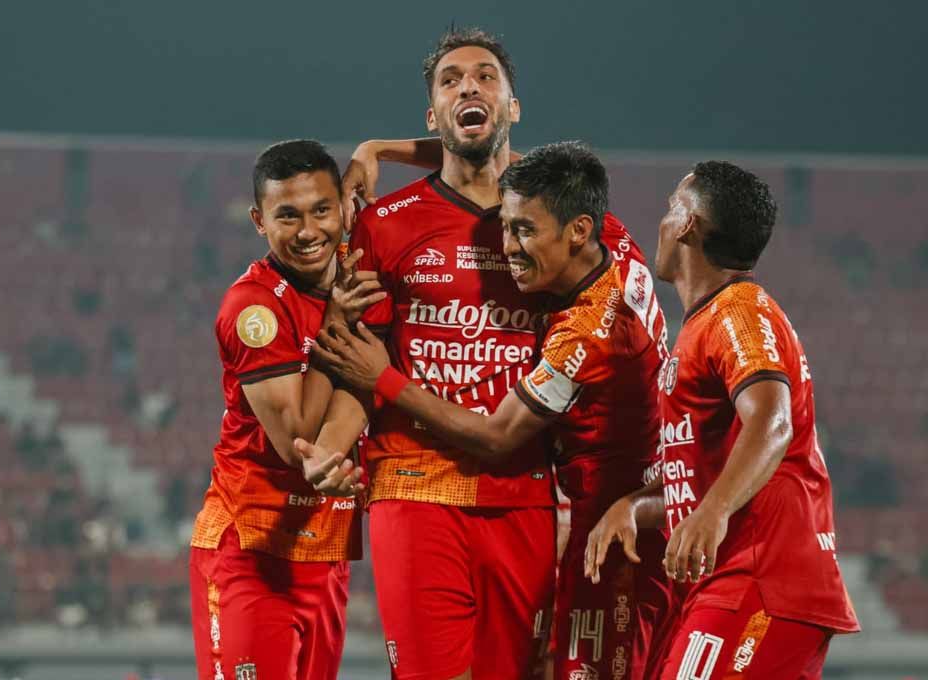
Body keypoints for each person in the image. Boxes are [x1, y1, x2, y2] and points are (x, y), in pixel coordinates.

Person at [302, 29, 645, 680]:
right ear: (433, 115)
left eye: (486, 77)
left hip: (525, 498)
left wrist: (378, 148)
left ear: (513, 108)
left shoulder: (562, 225)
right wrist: (330, 446)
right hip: (413, 490)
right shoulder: (385, 223)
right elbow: (361, 365)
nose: (469, 86)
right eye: (452, 80)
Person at [585, 161, 860, 679]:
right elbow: (706, 475)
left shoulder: (739, 312)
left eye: (671, 208)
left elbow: (772, 424)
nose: (663, 222)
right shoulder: (703, 326)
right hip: (730, 581)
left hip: (762, 579)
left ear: (688, 223)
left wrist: (711, 515)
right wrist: (635, 508)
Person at [187, 140, 381, 680]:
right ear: (259, 221)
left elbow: (477, 159)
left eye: (322, 209)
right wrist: (336, 324)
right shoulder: (254, 309)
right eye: (287, 216)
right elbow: (296, 439)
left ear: (344, 205)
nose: (308, 231)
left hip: (327, 554)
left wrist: (377, 148)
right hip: (253, 552)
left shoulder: (359, 271)